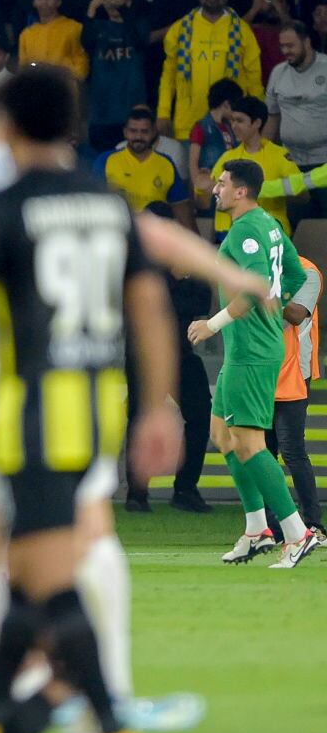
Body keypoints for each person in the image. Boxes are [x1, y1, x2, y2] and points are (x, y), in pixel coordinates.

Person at [0, 67, 180, 733]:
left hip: (31, 414)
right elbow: (150, 307)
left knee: (48, 580)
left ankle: (112, 732)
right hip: (95, 406)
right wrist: (157, 405)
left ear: (10, 127)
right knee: (28, 579)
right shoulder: (106, 201)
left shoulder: (6, 204)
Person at [187, 159, 318, 569]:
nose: (215, 189)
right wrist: (276, 308)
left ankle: (298, 534)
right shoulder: (270, 226)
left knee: (249, 442)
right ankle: (256, 528)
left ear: (240, 191)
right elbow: (297, 276)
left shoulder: (245, 232)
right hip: (249, 348)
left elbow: (253, 288)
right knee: (222, 434)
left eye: (222, 184)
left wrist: (212, 324)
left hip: (252, 351)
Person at [124, 202, 213, 514]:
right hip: (142, 354)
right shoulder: (134, 263)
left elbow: (201, 301)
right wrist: (177, 279)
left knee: (201, 414)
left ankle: (185, 489)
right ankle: (137, 494)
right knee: (138, 417)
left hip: (182, 354)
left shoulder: (182, 260)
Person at [267, 256, 323, 538]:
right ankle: (272, 528)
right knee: (263, 452)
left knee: (291, 449)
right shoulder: (253, 270)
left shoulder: (307, 272)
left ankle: (314, 524)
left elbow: (296, 315)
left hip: (294, 372)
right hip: (260, 370)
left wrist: (263, 287)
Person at [157, 0, 263, 142]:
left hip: (231, 125)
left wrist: (258, 117)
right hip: (188, 125)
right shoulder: (180, 29)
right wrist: (163, 113)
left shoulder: (242, 30)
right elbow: (169, 76)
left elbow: (254, 79)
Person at [202, 96, 301, 237]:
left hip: (268, 236)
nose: (234, 126)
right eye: (232, 120)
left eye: (240, 121)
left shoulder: (280, 155)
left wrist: (271, 189)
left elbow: (303, 196)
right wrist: (202, 188)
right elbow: (204, 202)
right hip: (227, 236)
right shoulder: (227, 157)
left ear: (257, 123)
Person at [94, 106, 195, 229]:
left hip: (155, 238)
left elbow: (183, 211)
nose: (139, 137)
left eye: (144, 131)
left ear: (153, 132)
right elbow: (92, 202)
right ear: (125, 132)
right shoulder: (105, 161)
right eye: (133, 131)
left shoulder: (166, 164)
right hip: (117, 233)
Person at [265, 22, 327, 220]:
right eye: (282, 46)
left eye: (290, 46)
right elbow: (272, 118)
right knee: (298, 224)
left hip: (324, 162)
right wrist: (263, 154)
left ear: (307, 42)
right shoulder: (278, 73)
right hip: (291, 164)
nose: (285, 51)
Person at [83, 0, 150, 152]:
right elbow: (85, 42)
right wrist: (92, 6)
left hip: (131, 115)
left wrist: (125, 8)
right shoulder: (98, 26)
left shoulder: (139, 26)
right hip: (101, 113)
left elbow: (139, 41)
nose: (112, 4)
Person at [188, 77, 243, 216]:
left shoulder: (230, 127)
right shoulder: (201, 127)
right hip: (210, 192)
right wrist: (198, 190)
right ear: (226, 104)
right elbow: (193, 162)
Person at [18, 0, 89, 80]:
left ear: (58, 2)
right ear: (34, 2)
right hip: (36, 89)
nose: (44, 1)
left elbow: (82, 65)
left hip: (64, 89)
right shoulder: (26, 34)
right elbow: (24, 67)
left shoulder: (74, 28)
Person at [243, 0, 290, 83]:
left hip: (287, 82)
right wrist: (255, 8)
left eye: (279, 0)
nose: (273, 5)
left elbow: (296, 33)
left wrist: (278, 6)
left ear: (288, 7)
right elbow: (235, 32)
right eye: (269, 0)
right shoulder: (254, 29)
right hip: (257, 83)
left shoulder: (294, 26)